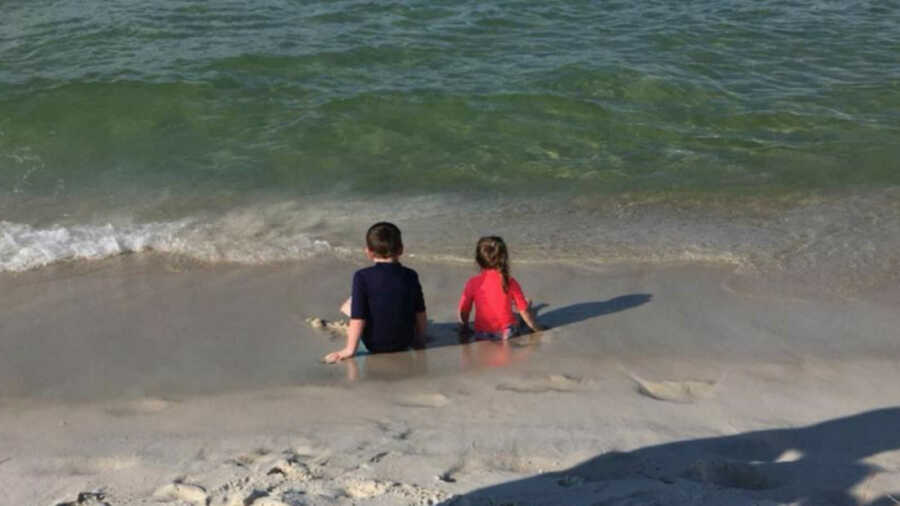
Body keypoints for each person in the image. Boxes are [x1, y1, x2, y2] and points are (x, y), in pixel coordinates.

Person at [323, 222, 427, 363]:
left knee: (351, 303)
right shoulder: (411, 275)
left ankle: (349, 308)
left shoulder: (362, 276)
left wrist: (349, 350)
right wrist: (420, 339)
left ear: (369, 252)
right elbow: (420, 311)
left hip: (375, 345)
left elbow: (358, 318)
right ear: (401, 249)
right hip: (405, 342)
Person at [458, 236, 544, 340]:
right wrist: (537, 329)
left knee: (514, 311)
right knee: (523, 312)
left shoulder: (473, 283)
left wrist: (465, 327)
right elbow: (524, 312)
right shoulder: (510, 282)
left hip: (481, 333)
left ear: (478, 260)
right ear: (504, 259)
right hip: (507, 333)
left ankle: (526, 303)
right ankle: (528, 303)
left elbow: (464, 310)